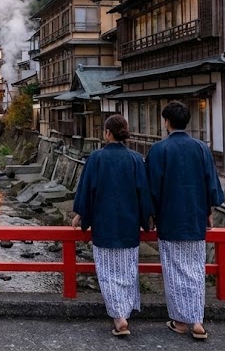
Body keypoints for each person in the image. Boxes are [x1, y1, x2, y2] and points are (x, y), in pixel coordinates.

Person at [145, 101, 225, 341]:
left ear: (166, 122)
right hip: (195, 217)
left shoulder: (159, 150)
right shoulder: (201, 148)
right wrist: (208, 210)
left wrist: (150, 215)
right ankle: (197, 321)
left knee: (174, 271)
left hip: (169, 218)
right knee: (195, 270)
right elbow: (211, 183)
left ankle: (180, 322)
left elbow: (153, 189)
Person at [72, 114, 153, 338]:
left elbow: (86, 190)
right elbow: (143, 194)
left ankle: (119, 317)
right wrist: (147, 219)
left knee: (107, 273)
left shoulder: (96, 158)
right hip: (128, 225)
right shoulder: (136, 159)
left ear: (107, 133)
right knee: (127, 272)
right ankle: (123, 312)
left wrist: (80, 216)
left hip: (104, 224)